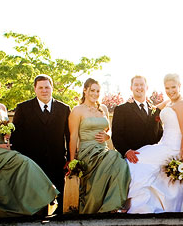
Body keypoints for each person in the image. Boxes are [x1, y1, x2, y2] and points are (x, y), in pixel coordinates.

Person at [0, 75, 58, 218]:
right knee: (24, 162)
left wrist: (6, 136)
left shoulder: (2, 107)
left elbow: (7, 130)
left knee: (14, 173)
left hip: (2, 151)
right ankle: (48, 193)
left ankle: (28, 206)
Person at [125, 73, 183, 213]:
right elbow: (154, 109)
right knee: (137, 159)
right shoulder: (170, 103)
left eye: (173, 87)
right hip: (164, 144)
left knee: (138, 159)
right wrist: (131, 101)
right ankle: (141, 204)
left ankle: (140, 204)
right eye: (167, 88)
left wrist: (181, 161)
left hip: (175, 149)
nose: (170, 91)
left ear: (180, 86)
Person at [68, 78, 130, 214]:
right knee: (114, 157)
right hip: (87, 152)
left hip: (103, 150)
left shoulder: (103, 109)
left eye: (97, 91)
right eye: (92, 90)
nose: (95, 94)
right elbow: (73, 137)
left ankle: (112, 207)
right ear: (85, 90)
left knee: (120, 164)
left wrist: (108, 136)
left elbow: (109, 130)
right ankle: (97, 208)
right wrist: (73, 161)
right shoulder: (77, 111)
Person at [10, 75, 70, 213]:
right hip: (33, 163)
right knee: (39, 207)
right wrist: (22, 160)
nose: (44, 90)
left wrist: (69, 159)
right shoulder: (23, 108)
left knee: (59, 205)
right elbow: (16, 138)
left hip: (57, 161)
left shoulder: (64, 109)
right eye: (41, 87)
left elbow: (69, 136)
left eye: (47, 87)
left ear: (52, 88)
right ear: (35, 89)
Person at [111, 75, 163, 158]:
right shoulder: (121, 109)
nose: (139, 87)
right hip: (133, 158)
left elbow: (160, 133)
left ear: (147, 87)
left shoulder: (155, 110)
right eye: (136, 85)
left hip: (153, 157)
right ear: (131, 88)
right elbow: (116, 135)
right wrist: (126, 151)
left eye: (142, 84)